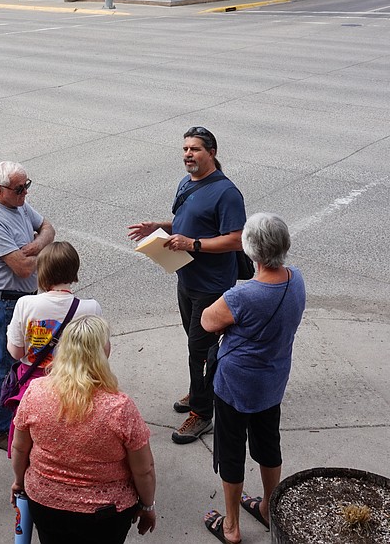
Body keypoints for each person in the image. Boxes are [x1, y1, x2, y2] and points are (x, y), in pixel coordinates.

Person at [127, 126, 246, 444]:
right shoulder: (186, 183)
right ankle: (200, 391)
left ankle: (203, 413)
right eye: (185, 149)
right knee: (198, 346)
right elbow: (184, 222)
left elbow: (236, 239)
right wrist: (160, 226)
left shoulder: (226, 193)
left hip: (212, 285)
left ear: (212, 152)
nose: (188, 155)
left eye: (195, 149)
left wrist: (192, 243)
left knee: (200, 349)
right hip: (186, 278)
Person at [199, 213, 306, 544]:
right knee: (268, 444)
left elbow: (206, 321)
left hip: (235, 386)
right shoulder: (296, 279)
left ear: (250, 250)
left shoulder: (243, 295)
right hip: (272, 382)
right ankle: (268, 508)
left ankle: (231, 526)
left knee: (232, 452)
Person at [11, 315, 157, 544]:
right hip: (106, 514)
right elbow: (144, 469)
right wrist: (147, 505)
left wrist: (19, 482)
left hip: (44, 503)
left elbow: (20, 448)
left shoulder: (35, 392)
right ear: (102, 352)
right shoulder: (120, 407)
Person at [0, 160, 55, 449]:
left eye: (27, 186)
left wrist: (35, 247)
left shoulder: (18, 203)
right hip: (7, 304)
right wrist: (44, 255)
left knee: (29, 362)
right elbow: (22, 269)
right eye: (19, 189)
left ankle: (20, 417)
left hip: (25, 298)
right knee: (6, 365)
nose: (25, 193)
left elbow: (48, 228)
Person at [6, 241, 103, 392]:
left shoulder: (25, 304)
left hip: (33, 386)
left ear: (42, 271)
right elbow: (103, 353)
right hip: (76, 386)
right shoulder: (91, 308)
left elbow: (16, 352)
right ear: (74, 269)